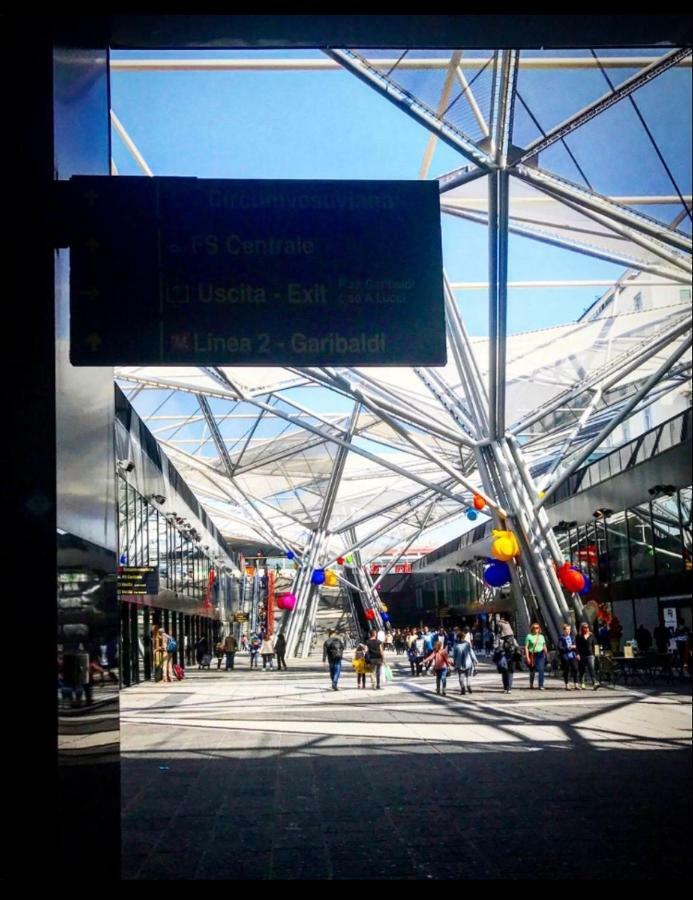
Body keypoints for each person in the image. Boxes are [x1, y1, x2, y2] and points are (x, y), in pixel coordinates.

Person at [524, 623, 548, 690]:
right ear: (532, 629)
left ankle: (541, 685)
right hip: (532, 654)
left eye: (537, 627)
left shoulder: (541, 636)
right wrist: (527, 657)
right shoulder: (529, 636)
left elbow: (544, 645)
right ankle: (531, 684)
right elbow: (526, 647)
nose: (536, 629)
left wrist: (546, 653)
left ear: (539, 628)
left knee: (541, 669)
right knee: (532, 670)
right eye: (534, 628)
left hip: (540, 654)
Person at [576, 622, 599, 690]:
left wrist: (596, 654)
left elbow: (595, 644)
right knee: (582, 670)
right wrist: (577, 654)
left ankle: (594, 682)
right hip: (582, 655)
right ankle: (583, 683)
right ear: (582, 628)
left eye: (587, 627)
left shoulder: (591, 635)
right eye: (585, 627)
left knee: (591, 668)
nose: (586, 628)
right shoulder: (579, 636)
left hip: (590, 655)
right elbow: (577, 646)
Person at [558, 624, 580, 690]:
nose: (568, 631)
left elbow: (576, 646)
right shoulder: (561, 638)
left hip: (572, 655)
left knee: (575, 669)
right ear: (564, 630)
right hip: (565, 656)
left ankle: (576, 684)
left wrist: (577, 654)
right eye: (567, 629)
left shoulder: (572, 637)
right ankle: (567, 684)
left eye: (569, 629)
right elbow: (559, 647)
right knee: (566, 670)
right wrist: (568, 647)